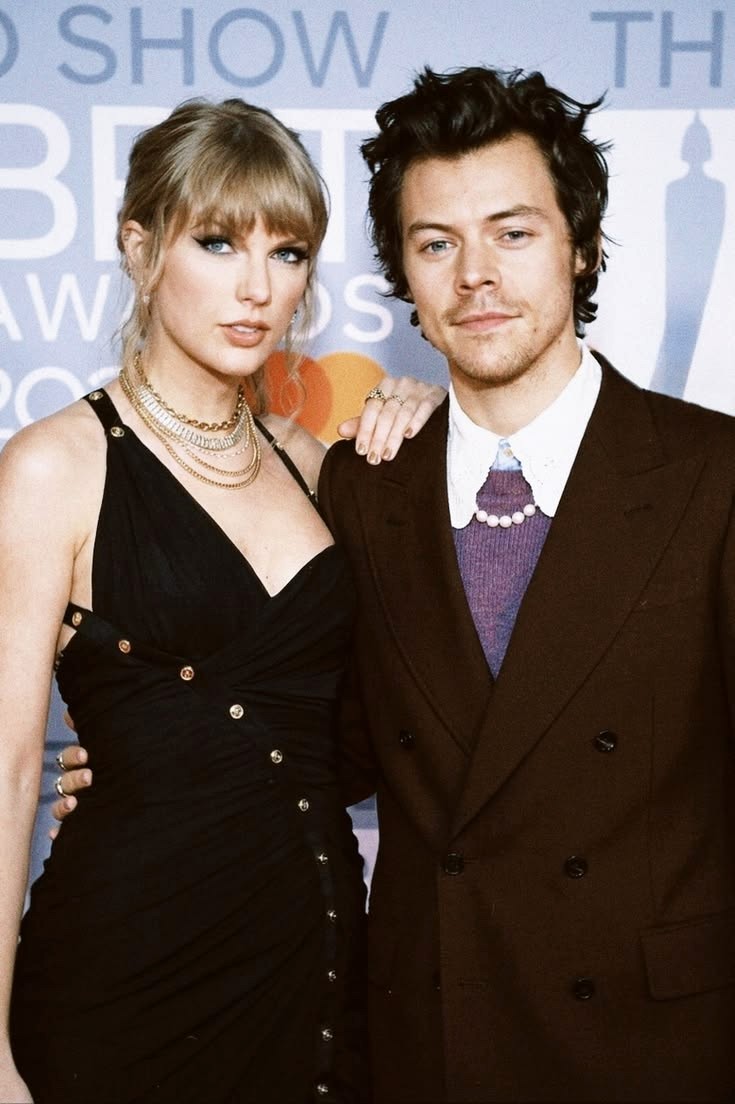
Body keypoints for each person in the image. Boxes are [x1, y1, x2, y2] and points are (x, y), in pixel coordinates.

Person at [56, 66, 735, 1102]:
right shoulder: (363, 489)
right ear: (404, 277)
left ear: (582, 246)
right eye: (436, 244)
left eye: (512, 233)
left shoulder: (711, 474)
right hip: (426, 1041)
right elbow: (326, 741)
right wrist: (155, 757)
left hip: (657, 1051)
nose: (476, 276)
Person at [0, 97, 444, 1104]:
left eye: (287, 254)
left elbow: (402, 705)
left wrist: (431, 416)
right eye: (217, 242)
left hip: (313, 971)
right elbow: (11, 769)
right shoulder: (54, 466)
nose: (257, 289)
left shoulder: (316, 464)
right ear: (139, 247)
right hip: (126, 978)